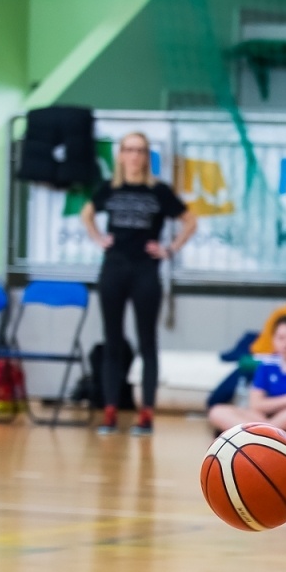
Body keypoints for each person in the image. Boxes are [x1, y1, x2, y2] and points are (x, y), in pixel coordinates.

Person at [80, 131, 197, 437]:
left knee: (148, 342)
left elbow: (190, 220)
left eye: (140, 150)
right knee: (112, 341)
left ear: (147, 157)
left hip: (145, 271)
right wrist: (98, 238)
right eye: (129, 150)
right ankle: (109, 411)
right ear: (120, 155)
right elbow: (86, 214)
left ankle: (146, 413)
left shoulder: (158, 191)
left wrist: (169, 249)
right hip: (114, 269)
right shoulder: (109, 188)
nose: (134, 156)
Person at [207, 315, 286, 444]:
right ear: (273, 339)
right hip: (267, 418)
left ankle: (253, 435)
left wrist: (269, 406)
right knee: (217, 411)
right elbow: (256, 404)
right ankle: (266, 435)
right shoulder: (266, 363)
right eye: (281, 338)